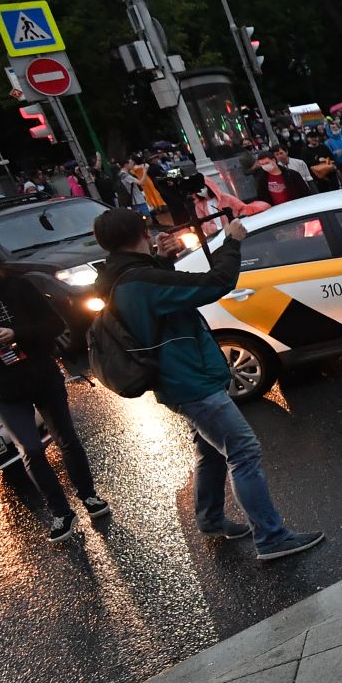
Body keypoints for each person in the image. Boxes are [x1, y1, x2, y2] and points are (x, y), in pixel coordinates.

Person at [91, 208, 324, 560]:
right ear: (140, 235)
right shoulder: (140, 281)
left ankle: (211, 519)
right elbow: (217, 282)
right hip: (190, 381)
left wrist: (163, 260)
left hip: (179, 378)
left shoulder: (123, 277)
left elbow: (163, 305)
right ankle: (271, 538)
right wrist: (232, 240)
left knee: (211, 449)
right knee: (243, 451)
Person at [0, 250, 107, 542]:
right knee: (31, 449)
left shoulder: (17, 287)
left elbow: (53, 325)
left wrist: (16, 333)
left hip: (42, 375)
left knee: (66, 438)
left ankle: (89, 496)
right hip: (3, 387)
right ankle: (60, 512)